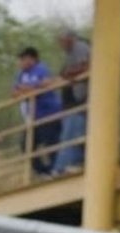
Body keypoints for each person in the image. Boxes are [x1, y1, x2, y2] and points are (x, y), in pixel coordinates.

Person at [12, 46, 62, 178]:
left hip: (48, 112)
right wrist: (30, 89)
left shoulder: (41, 69)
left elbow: (47, 83)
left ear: (32, 59)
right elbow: (15, 93)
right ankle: (43, 171)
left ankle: (56, 169)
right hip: (33, 117)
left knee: (51, 143)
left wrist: (28, 89)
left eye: (23, 59)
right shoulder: (21, 74)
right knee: (26, 145)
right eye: (20, 60)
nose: (21, 63)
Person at [50, 29, 90, 176]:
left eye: (62, 40)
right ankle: (63, 166)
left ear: (70, 38)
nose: (61, 44)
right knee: (70, 134)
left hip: (80, 101)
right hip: (74, 102)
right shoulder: (70, 54)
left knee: (73, 133)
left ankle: (67, 166)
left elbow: (87, 66)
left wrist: (68, 74)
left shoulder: (80, 47)